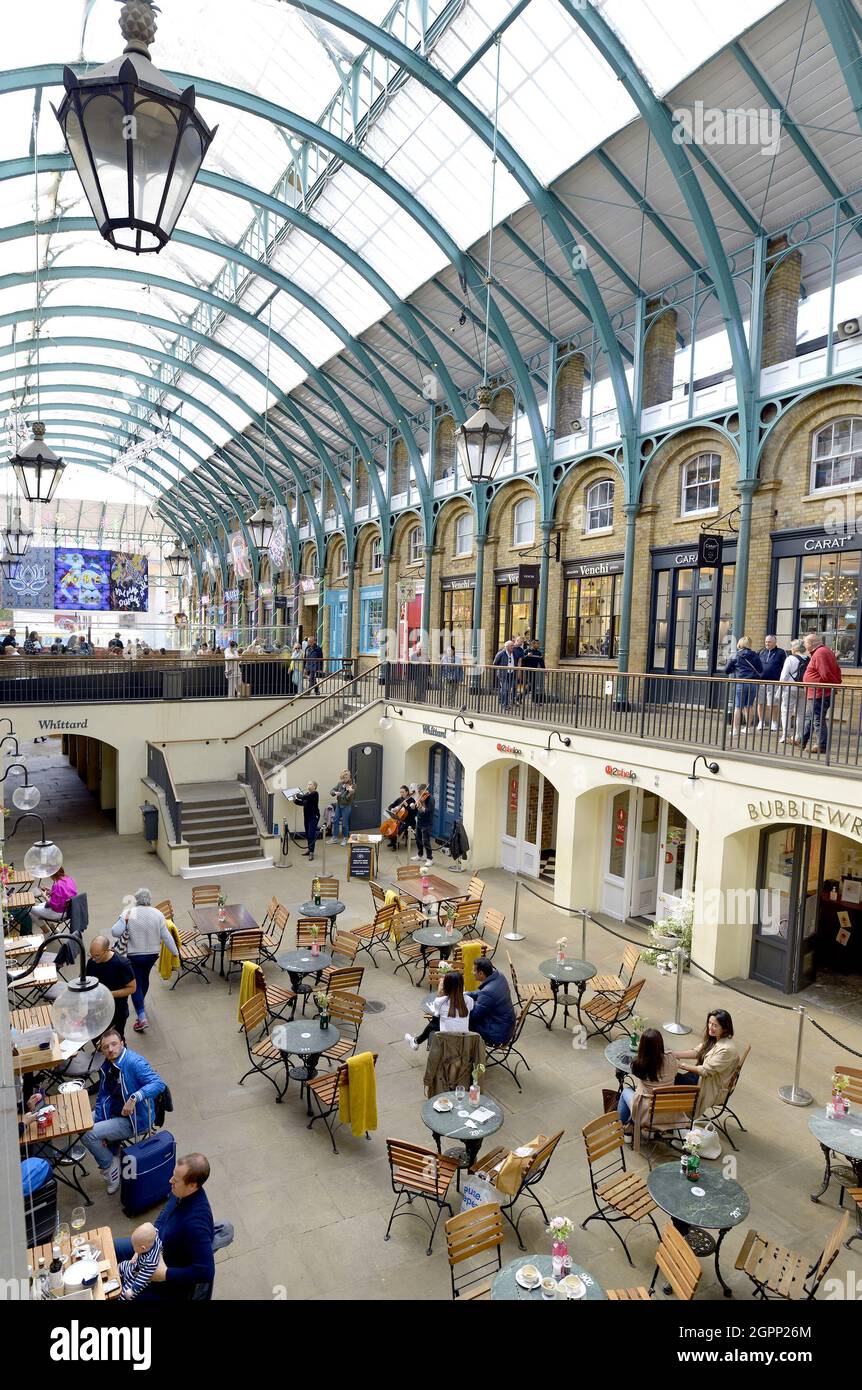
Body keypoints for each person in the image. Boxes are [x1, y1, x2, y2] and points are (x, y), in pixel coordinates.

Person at [113, 1153, 215, 1301]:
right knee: (110, 1247)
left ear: (192, 1185)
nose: (170, 1181)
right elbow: (164, 1216)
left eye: (176, 1180)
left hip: (165, 1279)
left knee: (118, 1294)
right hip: (152, 1247)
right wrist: (149, 1239)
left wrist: (165, 1274)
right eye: (173, 1176)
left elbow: (206, 1271)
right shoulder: (179, 1192)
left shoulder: (196, 1224)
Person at [81, 1029, 166, 1193]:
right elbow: (103, 1096)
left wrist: (134, 1097)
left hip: (135, 1120)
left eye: (114, 1044)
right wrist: (100, 1121)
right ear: (101, 1050)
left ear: (122, 1043)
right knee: (83, 1125)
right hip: (112, 1111)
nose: (110, 1049)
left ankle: (110, 1167)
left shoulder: (134, 1062)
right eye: (106, 1047)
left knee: (88, 1134)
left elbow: (158, 1084)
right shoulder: (108, 1065)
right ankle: (111, 1158)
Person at [111, 889, 178, 1032]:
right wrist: (175, 952)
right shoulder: (158, 914)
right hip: (152, 955)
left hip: (134, 955)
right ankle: (140, 1003)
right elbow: (166, 936)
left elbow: (115, 932)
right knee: (144, 978)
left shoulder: (130, 912)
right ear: (149, 900)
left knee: (135, 984)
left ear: (136, 900)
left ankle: (141, 1017)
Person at [617, 1028, 680, 1138]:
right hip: (668, 1108)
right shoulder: (672, 1060)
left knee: (626, 1091)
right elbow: (674, 1073)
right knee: (638, 1090)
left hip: (646, 1112)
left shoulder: (640, 1064)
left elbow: (636, 1073)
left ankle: (620, 1126)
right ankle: (630, 1125)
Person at [675, 1009, 740, 1114]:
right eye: (709, 1023)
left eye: (715, 1025)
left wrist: (680, 1065)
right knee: (671, 1076)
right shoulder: (715, 1038)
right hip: (700, 1077)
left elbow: (706, 1070)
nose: (711, 1027)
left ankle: (669, 1115)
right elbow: (698, 1052)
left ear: (725, 1028)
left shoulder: (727, 1049)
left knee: (670, 1080)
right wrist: (674, 1054)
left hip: (709, 1085)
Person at [405, 969, 473, 1049]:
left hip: (446, 1043)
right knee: (437, 1021)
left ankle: (416, 1041)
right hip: (464, 1042)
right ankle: (416, 1041)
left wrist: (440, 992)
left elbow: (436, 1014)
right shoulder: (469, 1000)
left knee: (434, 1021)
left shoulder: (440, 1002)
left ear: (446, 986)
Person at [87, 935, 136, 1038]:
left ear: (107, 950)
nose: (93, 959)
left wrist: (108, 994)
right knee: (98, 1040)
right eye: (91, 955)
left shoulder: (122, 964)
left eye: (97, 956)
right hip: (96, 1011)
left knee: (115, 1042)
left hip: (116, 1012)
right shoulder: (92, 962)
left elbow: (132, 988)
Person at [801, 632, 842, 755]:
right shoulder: (823, 651)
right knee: (810, 718)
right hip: (817, 692)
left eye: (805, 643)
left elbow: (826, 674)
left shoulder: (820, 653)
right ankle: (801, 740)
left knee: (818, 719)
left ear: (811, 644)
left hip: (819, 692)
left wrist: (835, 685)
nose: (804, 645)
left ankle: (821, 745)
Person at [467, 957, 516, 1046]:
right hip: (507, 1026)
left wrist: (460, 1006)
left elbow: (474, 1016)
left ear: (481, 973)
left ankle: (470, 1051)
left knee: (464, 1021)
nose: (472, 972)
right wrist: (466, 994)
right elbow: (481, 993)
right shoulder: (499, 976)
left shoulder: (488, 992)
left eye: (474, 970)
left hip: (497, 1034)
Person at [724, 636, 763, 738]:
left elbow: (726, 670)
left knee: (738, 707)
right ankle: (748, 728)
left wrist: (735, 669)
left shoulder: (735, 655)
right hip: (753, 683)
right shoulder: (755, 655)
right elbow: (760, 669)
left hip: (741, 682)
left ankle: (735, 730)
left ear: (740, 644)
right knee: (749, 705)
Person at [119, 1222, 163, 1300]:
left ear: (143, 1248)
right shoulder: (154, 1235)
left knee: (124, 1295)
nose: (133, 1248)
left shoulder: (150, 1262)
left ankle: (126, 1290)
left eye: (134, 1247)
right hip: (136, 1265)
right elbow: (154, 1229)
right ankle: (119, 1274)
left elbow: (142, 1278)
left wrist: (132, 1290)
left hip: (138, 1277)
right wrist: (136, 1253)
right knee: (122, 1265)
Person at [31, 865, 78, 933]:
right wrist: (51, 892)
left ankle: (47, 932)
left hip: (60, 913)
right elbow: (64, 893)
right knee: (38, 907)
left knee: (30, 910)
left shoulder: (57, 885)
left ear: (52, 875)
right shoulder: (68, 879)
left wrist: (44, 896)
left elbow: (53, 905)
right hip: (69, 909)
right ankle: (54, 929)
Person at [778, 638, 807, 745]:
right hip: (804, 688)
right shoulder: (808, 659)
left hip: (789, 688)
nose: (791, 649)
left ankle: (785, 735)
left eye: (791, 646)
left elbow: (784, 675)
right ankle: (798, 736)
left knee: (786, 711)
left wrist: (780, 689)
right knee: (801, 713)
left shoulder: (790, 659)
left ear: (795, 648)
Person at [757, 635, 786, 730]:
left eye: (769, 642)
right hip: (761, 682)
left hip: (774, 682)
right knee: (760, 703)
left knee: (773, 704)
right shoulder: (761, 652)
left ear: (774, 642)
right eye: (766, 641)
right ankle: (761, 722)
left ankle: (774, 722)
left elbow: (785, 667)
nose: (767, 643)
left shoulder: (781, 653)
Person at [293, 781, 320, 859]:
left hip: (314, 816)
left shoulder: (315, 793)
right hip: (307, 817)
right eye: (308, 784)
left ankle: (311, 852)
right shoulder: (307, 794)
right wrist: (295, 800)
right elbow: (302, 803)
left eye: (310, 784)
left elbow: (303, 797)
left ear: (314, 786)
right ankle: (309, 850)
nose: (308, 785)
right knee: (308, 834)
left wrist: (297, 794)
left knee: (311, 834)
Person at [412, 784, 435, 866]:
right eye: (418, 791)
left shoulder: (430, 799)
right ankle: (420, 855)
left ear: (424, 790)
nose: (418, 792)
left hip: (427, 823)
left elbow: (429, 811)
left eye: (419, 791)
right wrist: (416, 807)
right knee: (418, 839)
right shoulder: (420, 798)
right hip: (419, 821)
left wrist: (421, 807)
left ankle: (429, 858)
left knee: (426, 841)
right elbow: (418, 810)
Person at [385, 784, 415, 850]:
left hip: (409, 821)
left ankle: (395, 844)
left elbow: (414, 813)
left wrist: (407, 806)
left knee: (397, 828)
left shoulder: (411, 801)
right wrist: (392, 809)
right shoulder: (400, 799)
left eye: (403, 792)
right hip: (399, 819)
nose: (401, 794)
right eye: (400, 792)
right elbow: (391, 806)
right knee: (389, 826)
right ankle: (392, 841)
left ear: (407, 792)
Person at [331, 770, 355, 847]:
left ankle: (345, 838)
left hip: (346, 806)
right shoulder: (340, 784)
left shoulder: (352, 785)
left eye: (346, 777)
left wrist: (350, 792)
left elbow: (348, 799)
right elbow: (332, 791)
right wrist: (335, 793)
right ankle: (335, 837)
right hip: (339, 805)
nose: (344, 779)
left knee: (345, 823)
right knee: (335, 820)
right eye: (343, 777)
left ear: (349, 777)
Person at [492, 639, 518, 710]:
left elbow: (516, 662)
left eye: (513, 645)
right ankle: (505, 705)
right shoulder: (501, 653)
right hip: (503, 674)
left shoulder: (514, 653)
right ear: (507, 647)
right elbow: (495, 663)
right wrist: (500, 670)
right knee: (505, 689)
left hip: (512, 674)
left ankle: (501, 700)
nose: (513, 647)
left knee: (507, 689)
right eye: (511, 646)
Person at [520, 638, 546, 704]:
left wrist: (545, 671)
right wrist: (527, 656)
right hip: (527, 671)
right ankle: (519, 698)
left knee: (533, 686)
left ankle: (533, 700)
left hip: (534, 671)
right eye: (537, 644)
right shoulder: (526, 651)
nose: (539, 645)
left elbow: (541, 662)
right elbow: (522, 661)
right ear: (533, 644)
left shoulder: (539, 653)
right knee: (531, 685)